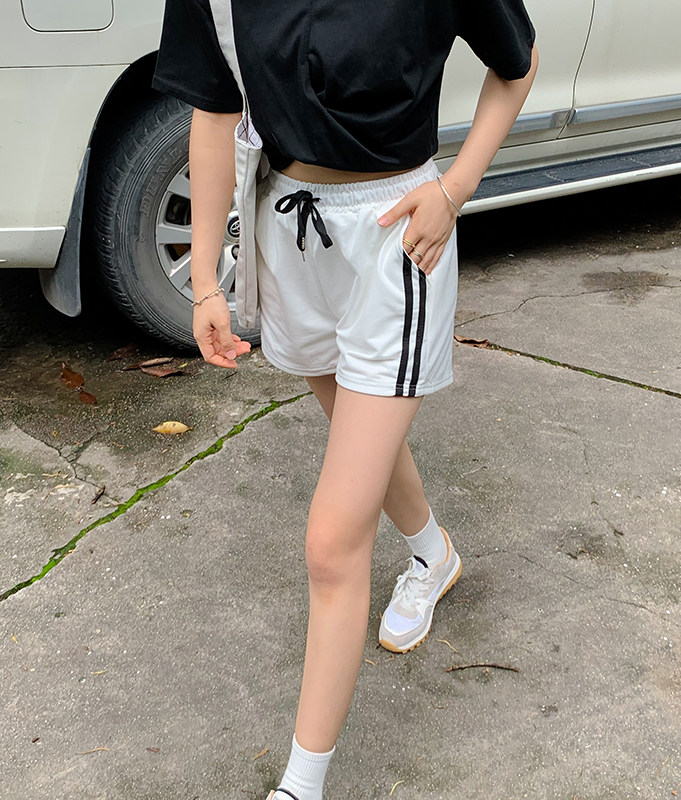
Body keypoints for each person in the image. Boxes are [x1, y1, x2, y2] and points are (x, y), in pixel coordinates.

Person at [151, 2, 538, 797]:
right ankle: (434, 554)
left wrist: (455, 188)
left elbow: (517, 61)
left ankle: (299, 786)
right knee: (364, 439)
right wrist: (205, 279)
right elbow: (215, 111)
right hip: (290, 233)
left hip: (398, 238)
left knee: (331, 542)